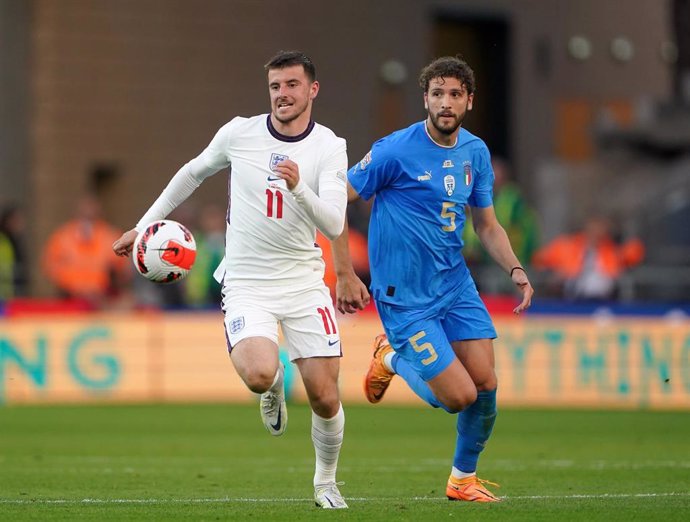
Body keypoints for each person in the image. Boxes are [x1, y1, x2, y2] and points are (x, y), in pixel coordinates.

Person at [112, 51, 349, 509]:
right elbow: (192, 173)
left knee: (324, 394)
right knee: (260, 374)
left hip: (303, 282)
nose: (283, 94)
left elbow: (336, 223)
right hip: (247, 282)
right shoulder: (239, 132)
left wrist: (299, 186)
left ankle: (326, 483)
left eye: (292, 85)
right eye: (276, 86)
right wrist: (143, 227)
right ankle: (274, 387)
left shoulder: (329, 146)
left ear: (312, 90)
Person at [333, 56, 533, 502]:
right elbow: (336, 199)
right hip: (405, 297)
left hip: (455, 286)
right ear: (425, 98)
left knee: (487, 388)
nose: (446, 103)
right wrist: (345, 270)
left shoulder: (475, 152)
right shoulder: (394, 150)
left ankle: (462, 480)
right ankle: (391, 358)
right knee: (457, 397)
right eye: (438, 94)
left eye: (455, 95)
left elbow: (486, 224)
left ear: (469, 101)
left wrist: (516, 269)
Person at [42, 193, 130, 308]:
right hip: (70, 299)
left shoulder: (110, 236)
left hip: (102, 301)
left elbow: (123, 270)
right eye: (84, 214)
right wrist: (74, 287)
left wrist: (106, 288)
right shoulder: (63, 237)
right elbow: (51, 265)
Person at [532, 215, 644, 300]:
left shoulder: (611, 250)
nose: (596, 234)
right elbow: (539, 260)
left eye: (600, 231)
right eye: (593, 229)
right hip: (571, 297)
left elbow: (634, 253)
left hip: (604, 299)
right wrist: (555, 273)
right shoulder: (567, 246)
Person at [0, 204, 28, 300]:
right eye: (16, 220)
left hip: (12, 292)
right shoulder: (4, 241)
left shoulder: (16, 240)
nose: (20, 224)